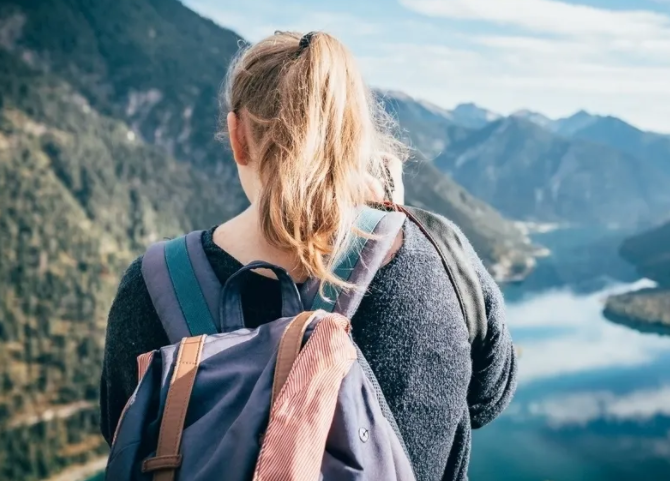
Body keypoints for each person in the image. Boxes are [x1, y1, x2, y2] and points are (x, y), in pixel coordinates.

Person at [99, 30, 517, 481]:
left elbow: (126, 433)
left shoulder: (153, 284)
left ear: (238, 136)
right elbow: (486, 398)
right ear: (358, 139)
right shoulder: (442, 253)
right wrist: (394, 212)